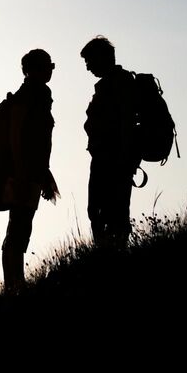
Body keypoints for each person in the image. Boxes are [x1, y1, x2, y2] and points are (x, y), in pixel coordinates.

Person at [0, 49, 60, 291]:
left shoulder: (34, 95)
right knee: (19, 227)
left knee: (20, 225)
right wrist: (27, 175)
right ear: (32, 70)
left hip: (27, 172)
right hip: (23, 174)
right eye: (48, 66)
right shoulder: (31, 96)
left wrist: (44, 174)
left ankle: (14, 284)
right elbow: (24, 139)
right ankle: (14, 285)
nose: (51, 70)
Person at [81, 36, 138, 248]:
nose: (88, 67)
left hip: (114, 160)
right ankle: (107, 256)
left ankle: (111, 260)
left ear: (102, 58)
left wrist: (124, 159)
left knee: (112, 213)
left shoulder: (120, 83)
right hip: (105, 158)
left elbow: (126, 122)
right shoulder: (109, 84)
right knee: (99, 211)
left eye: (89, 61)